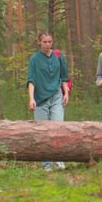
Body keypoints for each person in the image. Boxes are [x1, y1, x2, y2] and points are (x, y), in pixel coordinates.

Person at [27, 31, 69, 171]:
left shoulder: (58, 56)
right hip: (40, 98)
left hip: (56, 95)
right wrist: (31, 98)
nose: (47, 44)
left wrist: (66, 93)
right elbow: (31, 80)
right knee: (43, 131)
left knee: (58, 127)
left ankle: (59, 158)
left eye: (49, 41)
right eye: (44, 42)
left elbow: (64, 77)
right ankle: (46, 163)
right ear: (39, 42)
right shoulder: (34, 59)